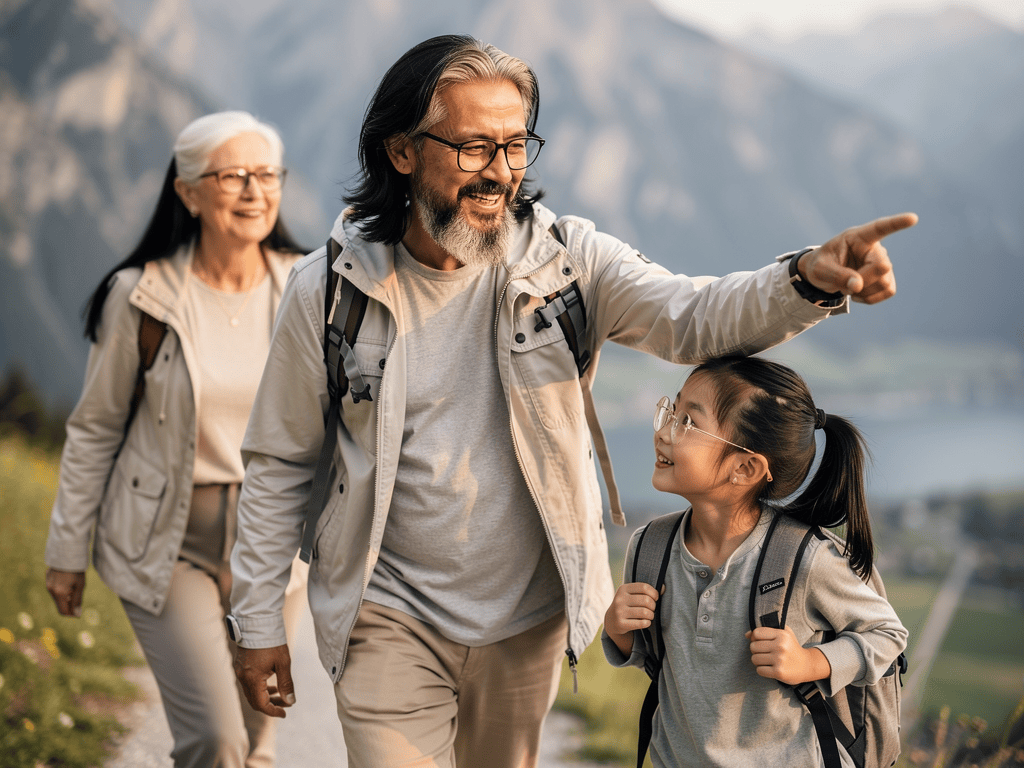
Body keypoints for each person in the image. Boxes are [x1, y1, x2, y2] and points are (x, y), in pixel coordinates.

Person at [227, 34, 916, 768]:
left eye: (515, 146)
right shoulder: (328, 291)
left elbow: (697, 315)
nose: (500, 173)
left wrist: (808, 276)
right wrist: (258, 618)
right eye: (473, 148)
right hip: (387, 617)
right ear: (401, 151)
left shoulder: (569, 264)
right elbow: (279, 463)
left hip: (527, 625)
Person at [44, 111, 309, 768]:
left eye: (267, 174)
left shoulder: (309, 287)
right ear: (189, 192)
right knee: (214, 743)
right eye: (233, 176)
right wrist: (66, 549)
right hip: (168, 542)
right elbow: (96, 428)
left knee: (258, 744)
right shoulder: (141, 297)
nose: (254, 190)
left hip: (275, 543)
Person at [603, 356, 909, 767]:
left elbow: (887, 636)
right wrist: (619, 630)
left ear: (745, 468)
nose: (663, 432)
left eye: (688, 423)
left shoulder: (806, 560)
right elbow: (654, 657)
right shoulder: (650, 548)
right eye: (672, 411)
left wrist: (810, 662)